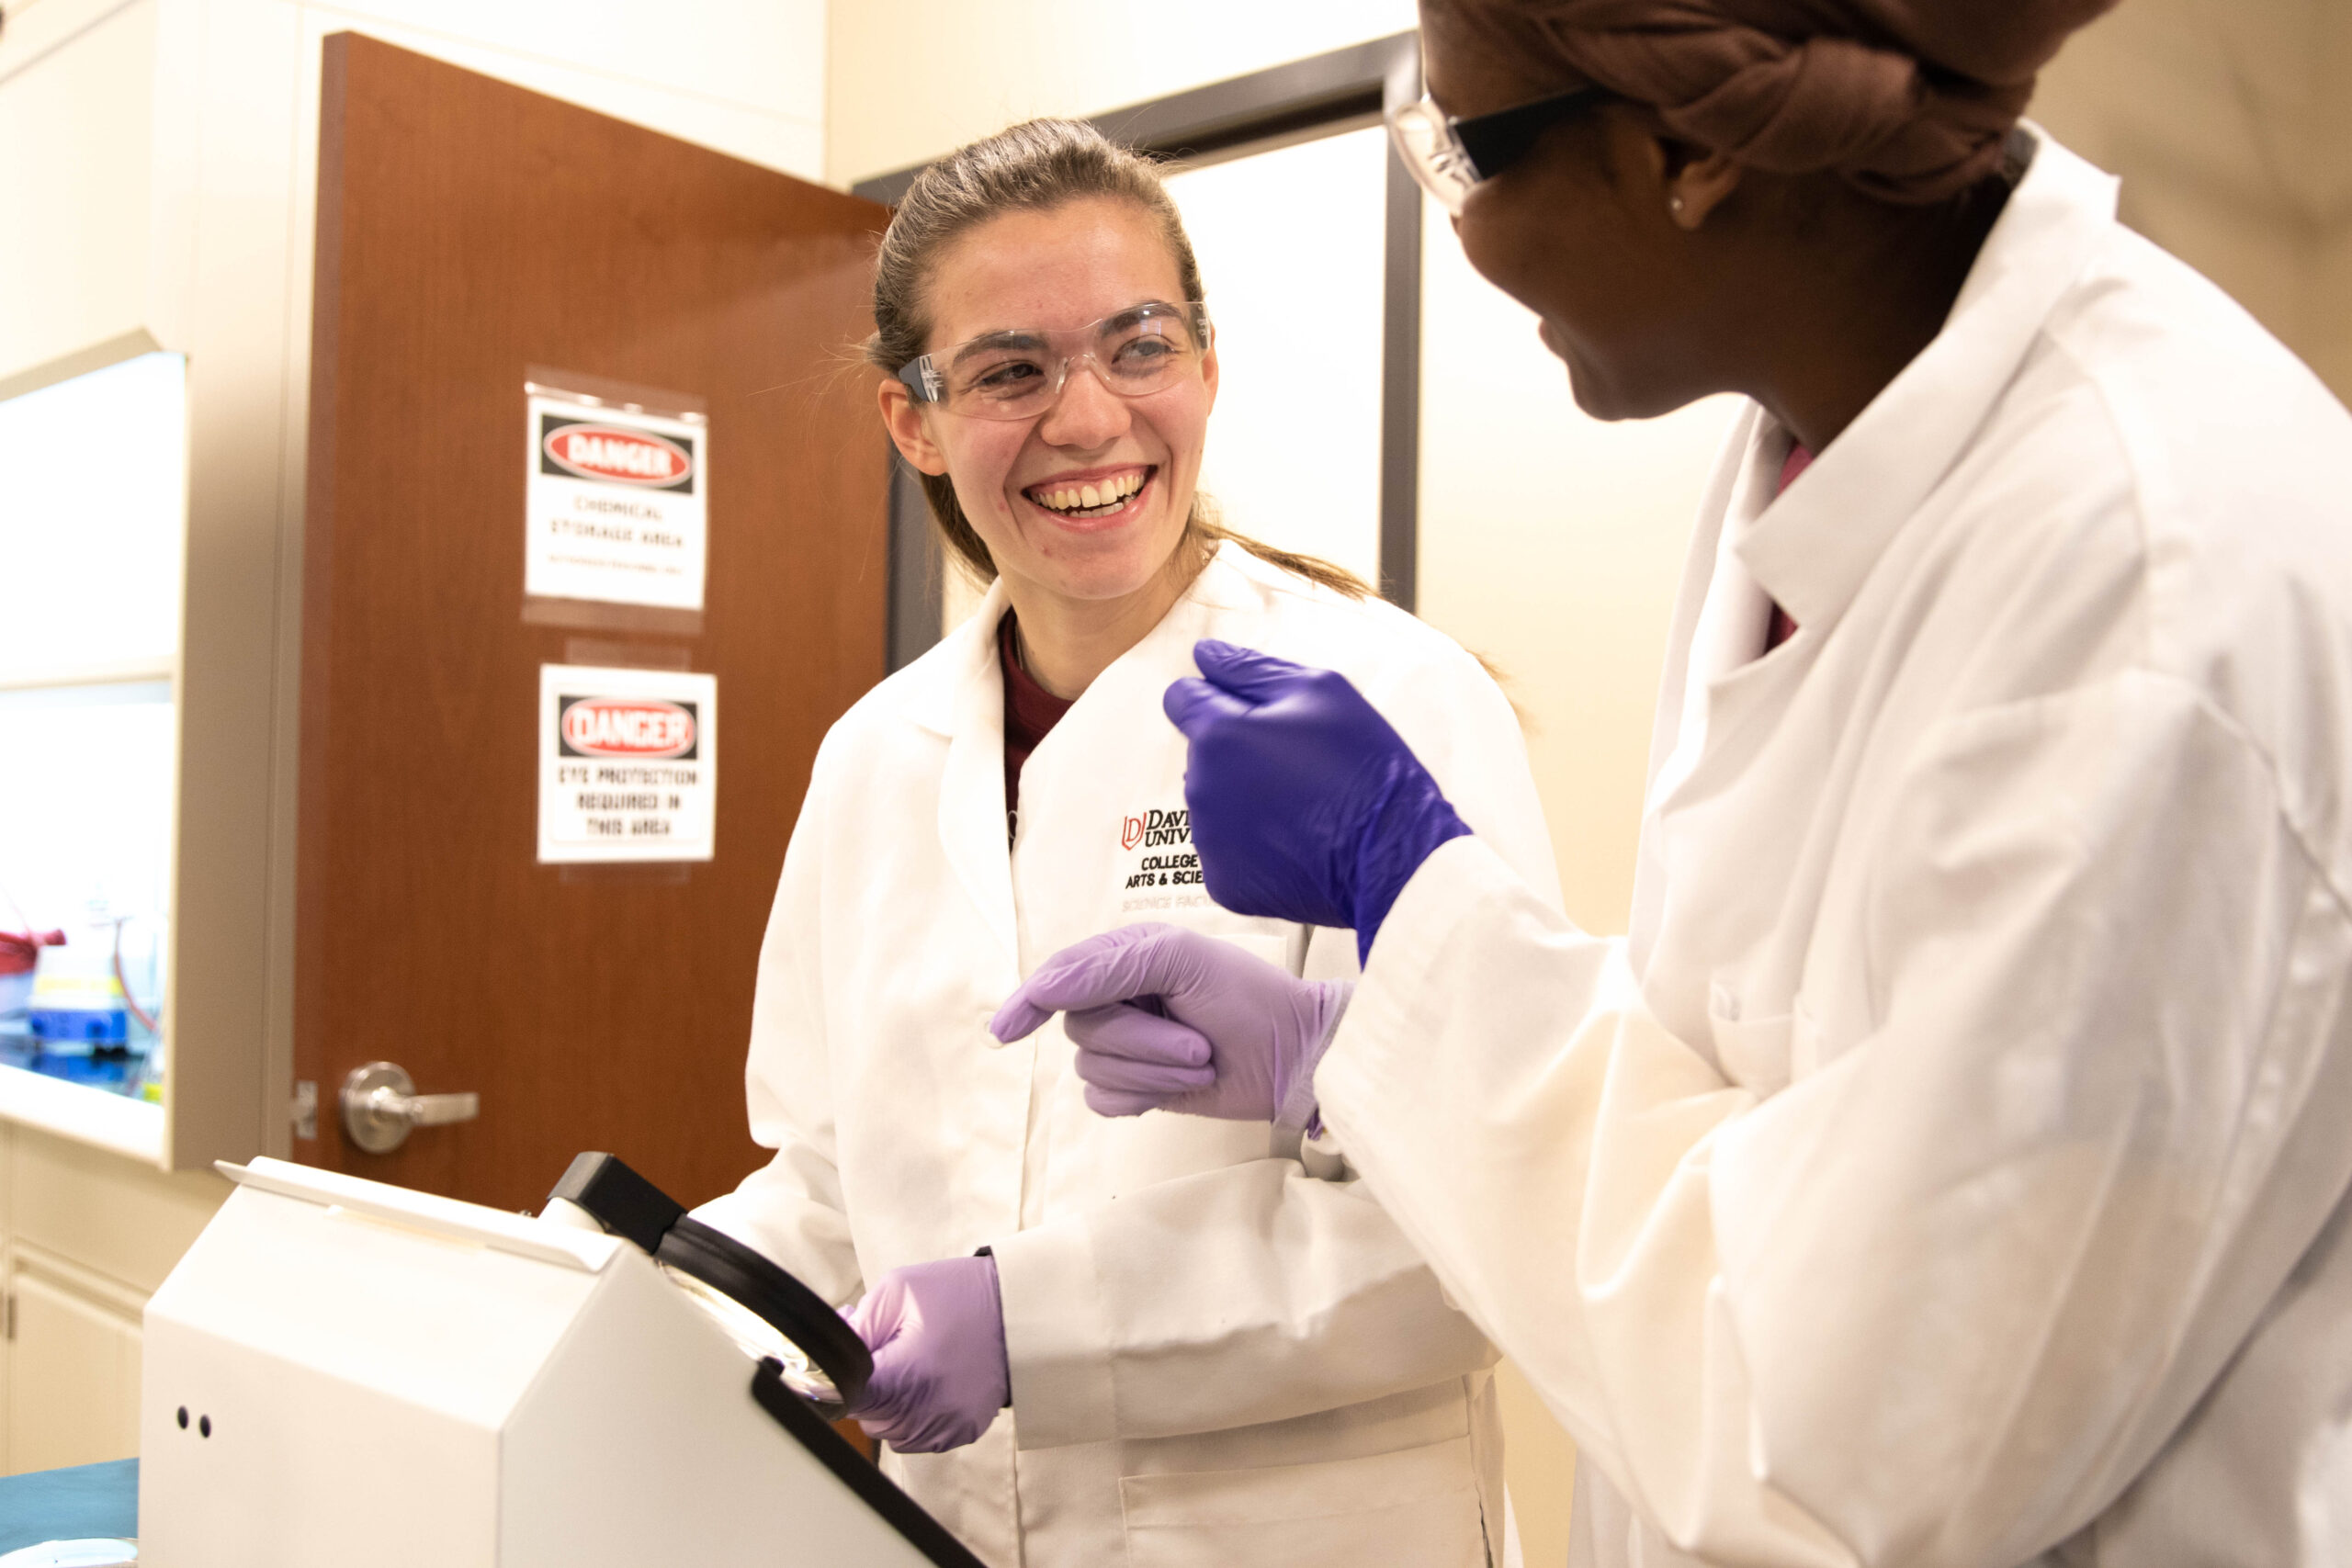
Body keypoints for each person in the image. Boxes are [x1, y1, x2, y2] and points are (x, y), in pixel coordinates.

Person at [994, 3, 2352, 1564]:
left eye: (1467, 155)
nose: (1464, 235)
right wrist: (1354, 1046)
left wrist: (1413, 893)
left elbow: (1840, 1439)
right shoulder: (1815, 453)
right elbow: (1772, 1058)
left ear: (1685, 154)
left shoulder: (2147, 605)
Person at [691, 118, 1565, 1568]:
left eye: (1139, 347)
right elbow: (831, 1190)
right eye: (1009, 371)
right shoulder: (873, 760)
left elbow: (1479, 1228)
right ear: (913, 420)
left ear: (1206, 366)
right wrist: (631, 1295)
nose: (1088, 419)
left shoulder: (1387, 700)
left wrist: (1034, 1326)